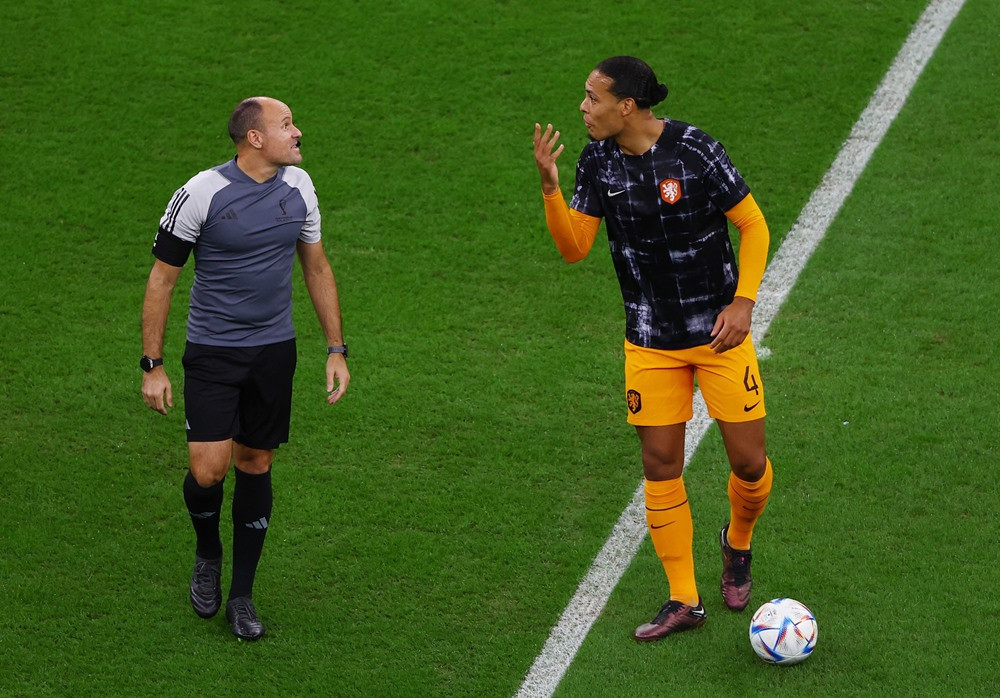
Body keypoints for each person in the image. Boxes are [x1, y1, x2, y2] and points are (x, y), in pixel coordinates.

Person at [532, 56, 773, 641]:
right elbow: (574, 248)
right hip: (649, 340)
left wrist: (743, 301)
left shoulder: (695, 150)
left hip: (719, 336)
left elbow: (753, 224)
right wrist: (550, 187)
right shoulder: (597, 161)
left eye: (593, 98)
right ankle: (684, 598)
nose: (583, 108)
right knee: (660, 464)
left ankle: (738, 542)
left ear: (628, 106)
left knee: (749, 463)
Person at [140, 96, 350, 641]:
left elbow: (316, 266)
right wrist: (153, 364)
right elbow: (162, 279)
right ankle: (208, 551)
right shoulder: (201, 193)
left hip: (273, 351)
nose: (298, 132)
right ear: (254, 138)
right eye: (286, 124)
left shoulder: (300, 187)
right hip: (213, 351)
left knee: (255, 462)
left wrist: (336, 348)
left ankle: (241, 595)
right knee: (208, 471)